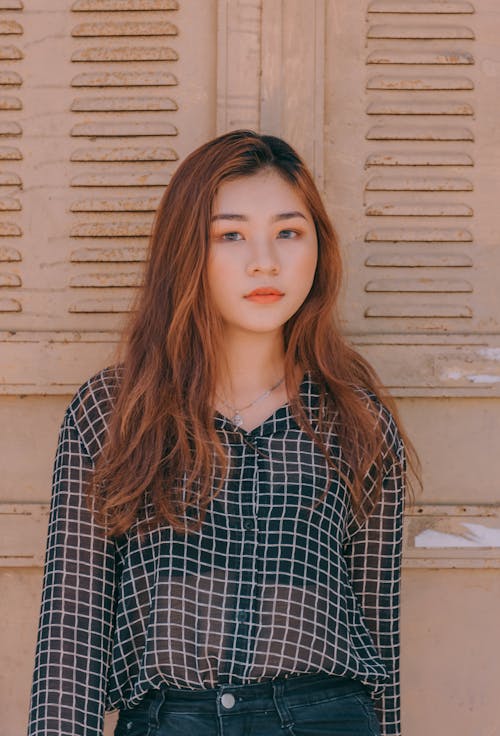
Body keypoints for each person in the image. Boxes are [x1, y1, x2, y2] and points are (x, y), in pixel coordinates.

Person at [27, 130, 418, 736]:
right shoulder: (116, 409)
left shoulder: (357, 421)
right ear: (188, 251)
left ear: (318, 248)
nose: (265, 260)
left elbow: (379, 641)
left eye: (289, 232)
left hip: (325, 715)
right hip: (169, 719)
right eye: (230, 234)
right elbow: (70, 640)